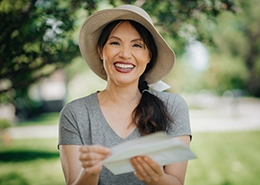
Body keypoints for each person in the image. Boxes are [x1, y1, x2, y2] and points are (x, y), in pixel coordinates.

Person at [58, 4, 192, 185]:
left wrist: (157, 178)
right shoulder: (75, 113)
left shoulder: (173, 107)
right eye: (115, 43)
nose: (125, 54)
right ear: (101, 50)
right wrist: (90, 173)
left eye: (137, 45)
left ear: (149, 55)